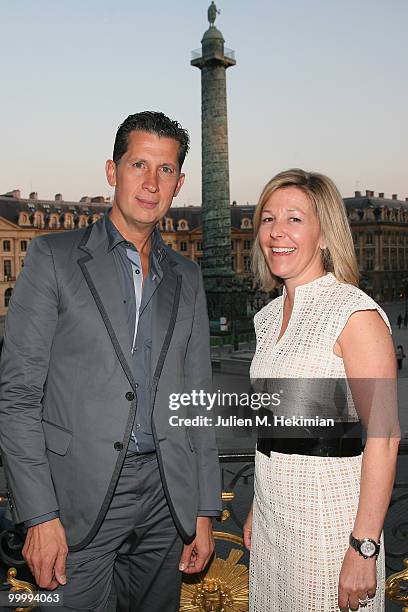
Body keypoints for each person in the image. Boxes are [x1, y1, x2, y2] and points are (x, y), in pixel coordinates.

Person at [0, 111, 222, 611]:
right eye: (138, 164)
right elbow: (16, 397)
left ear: (180, 182)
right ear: (111, 170)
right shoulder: (54, 258)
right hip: (77, 496)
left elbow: (198, 401)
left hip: (167, 496)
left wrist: (204, 509)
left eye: (165, 170)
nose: (151, 182)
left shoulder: (187, 276)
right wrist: (39, 515)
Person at [243, 169, 399, 611]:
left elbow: (384, 437)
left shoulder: (355, 315)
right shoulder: (268, 318)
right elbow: (276, 427)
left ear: (325, 234)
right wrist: (258, 502)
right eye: (268, 219)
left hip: (330, 526)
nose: (277, 232)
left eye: (294, 219)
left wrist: (364, 546)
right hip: (275, 523)